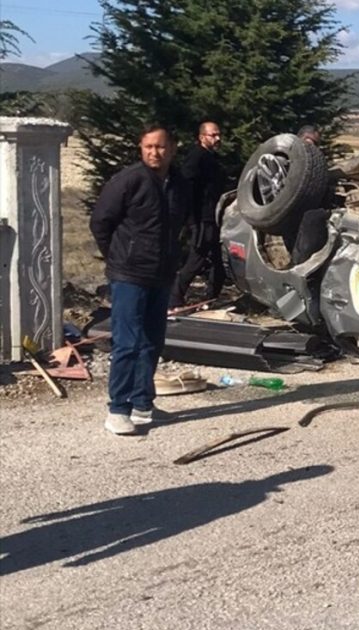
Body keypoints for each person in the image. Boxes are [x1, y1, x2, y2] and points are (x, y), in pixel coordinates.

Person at [90, 124, 190, 435]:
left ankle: (142, 404)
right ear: (140, 148)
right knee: (127, 343)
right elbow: (100, 223)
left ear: (172, 148)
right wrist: (118, 257)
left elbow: (179, 225)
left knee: (152, 342)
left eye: (160, 147)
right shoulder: (129, 180)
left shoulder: (179, 183)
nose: (154, 152)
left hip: (161, 275)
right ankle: (118, 409)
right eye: (148, 146)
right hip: (129, 274)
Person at [171, 121, 227, 308]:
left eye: (219, 135)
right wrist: (192, 219)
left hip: (215, 216)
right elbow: (187, 185)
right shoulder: (197, 157)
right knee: (198, 258)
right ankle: (174, 298)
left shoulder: (213, 158)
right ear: (202, 137)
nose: (217, 138)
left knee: (219, 260)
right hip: (202, 217)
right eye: (213, 135)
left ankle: (211, 298)